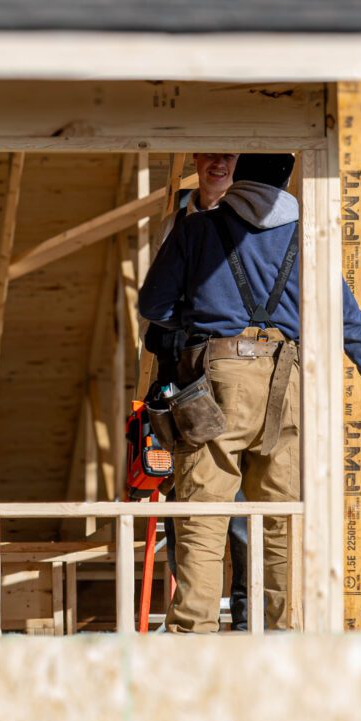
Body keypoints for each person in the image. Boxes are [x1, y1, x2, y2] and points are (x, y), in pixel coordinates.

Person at [139, 153, 361, 632]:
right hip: (291, 380)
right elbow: (350, 324)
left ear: (241, 177)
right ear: (287, 181)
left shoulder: (197, 230)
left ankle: (192, 634)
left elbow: (153, 303)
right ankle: (287, 633)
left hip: (216, 379)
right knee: (284, 516)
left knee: (203, 511)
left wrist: (199, 325)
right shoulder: (309, 241)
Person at [144, 152, 248, 629]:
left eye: (230, 155)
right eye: (210, 154)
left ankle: (246, 613)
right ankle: (187, 613)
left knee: (242, 509)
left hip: (237, 376)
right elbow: (155, 302)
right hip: (183, 377)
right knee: (184, 498)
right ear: (195, 160)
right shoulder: (176, 224)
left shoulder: (258, 224)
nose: (219, 163)